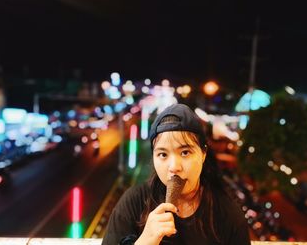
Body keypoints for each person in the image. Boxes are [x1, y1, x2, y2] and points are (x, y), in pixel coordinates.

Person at [102, 103, 251, 245]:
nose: (174, 167)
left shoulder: (228, 215)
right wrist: (145, 241)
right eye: (162, 154)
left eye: (185, 152)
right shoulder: (134, 203)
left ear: (203, 154)